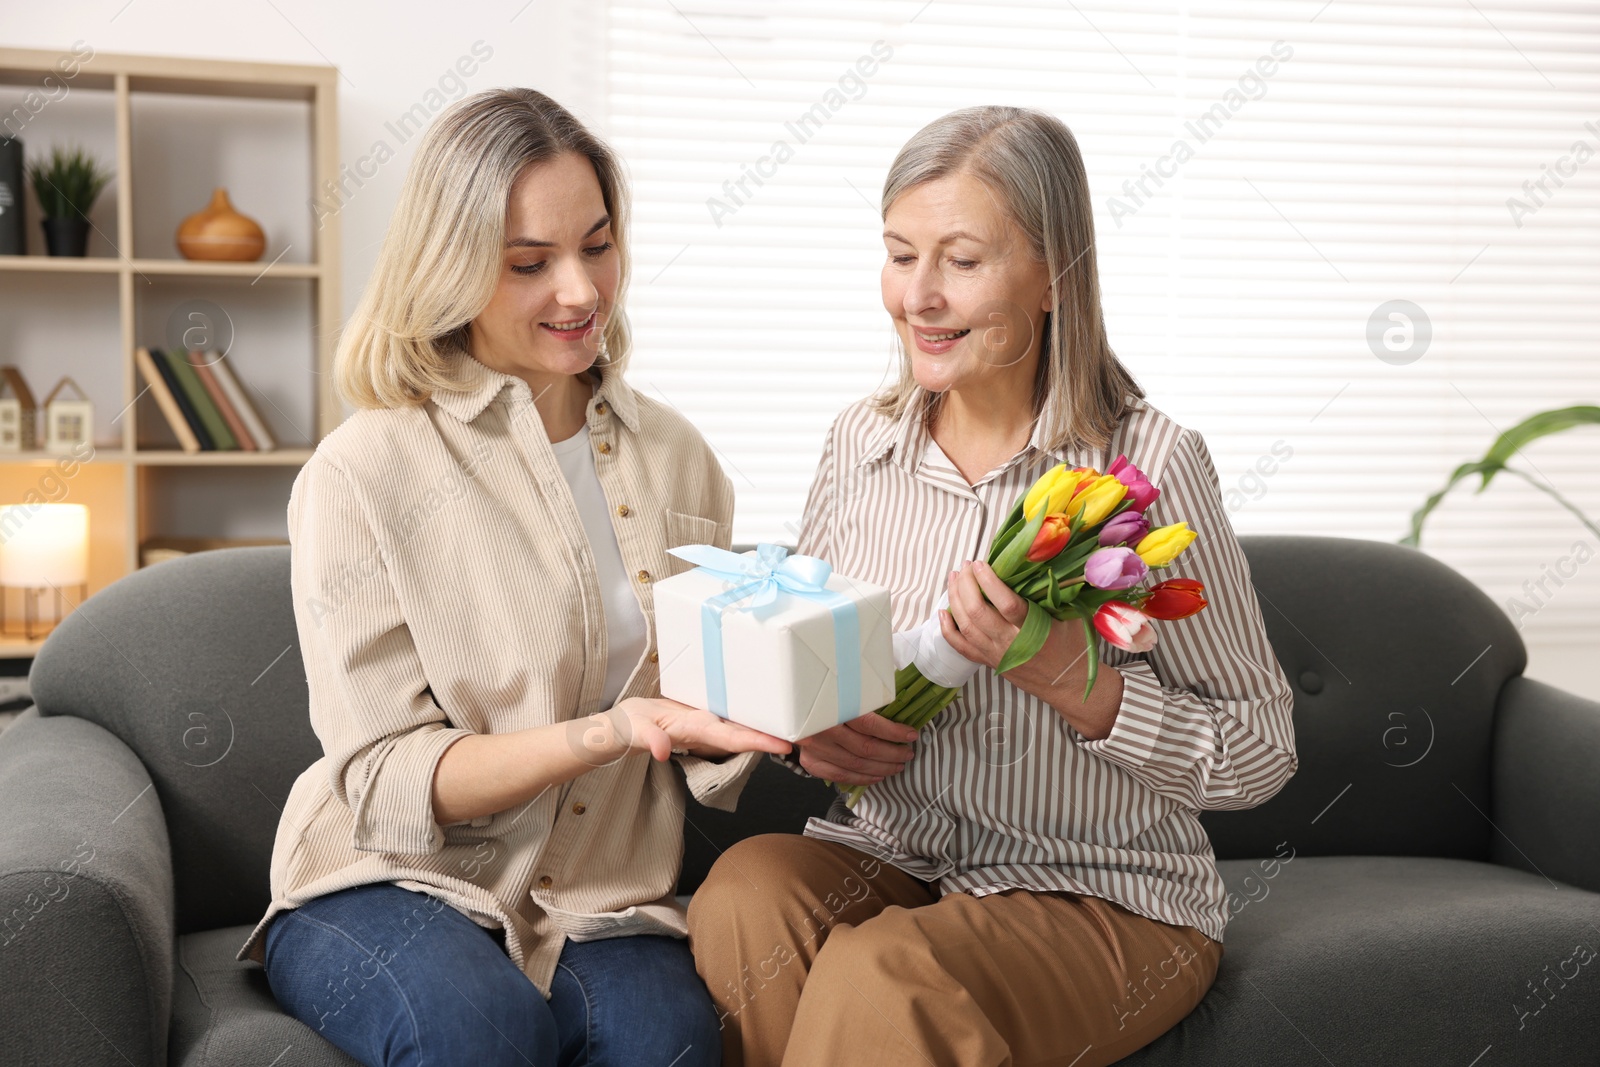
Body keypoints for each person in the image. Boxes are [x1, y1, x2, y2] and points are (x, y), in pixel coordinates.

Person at [686, 105, 1300, 1067]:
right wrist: (818, 735)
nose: (917, 297)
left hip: (1103, 890)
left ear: (1054, 274)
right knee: (742, 893)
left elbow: (1261, 750)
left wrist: (1072, 678)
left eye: (961, 261)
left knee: (885, 972)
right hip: (898, 856)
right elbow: (810, 663)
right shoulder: (864, 442)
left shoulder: (1147, 463)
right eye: (899, 255)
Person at [235, 88, 790, 1067]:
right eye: (529, 263)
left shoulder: (680, 458)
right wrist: (607, 731)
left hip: (602, 899)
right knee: (477, 1032)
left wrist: (796, 700)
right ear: (450, 267)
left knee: (672, 1043)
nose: (579, 290)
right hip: (388, 879)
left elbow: (703, 716)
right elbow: (382, 779)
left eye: (598, 245)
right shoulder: (364, 471)